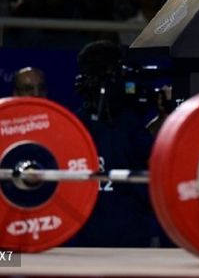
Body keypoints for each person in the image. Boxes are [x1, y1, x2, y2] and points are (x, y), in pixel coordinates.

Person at [67, 40, 163, 247]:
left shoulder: (127, 123)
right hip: (92, 235)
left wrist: (163, 117)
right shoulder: (74, 127)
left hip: (129, 235)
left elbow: (151, 153)